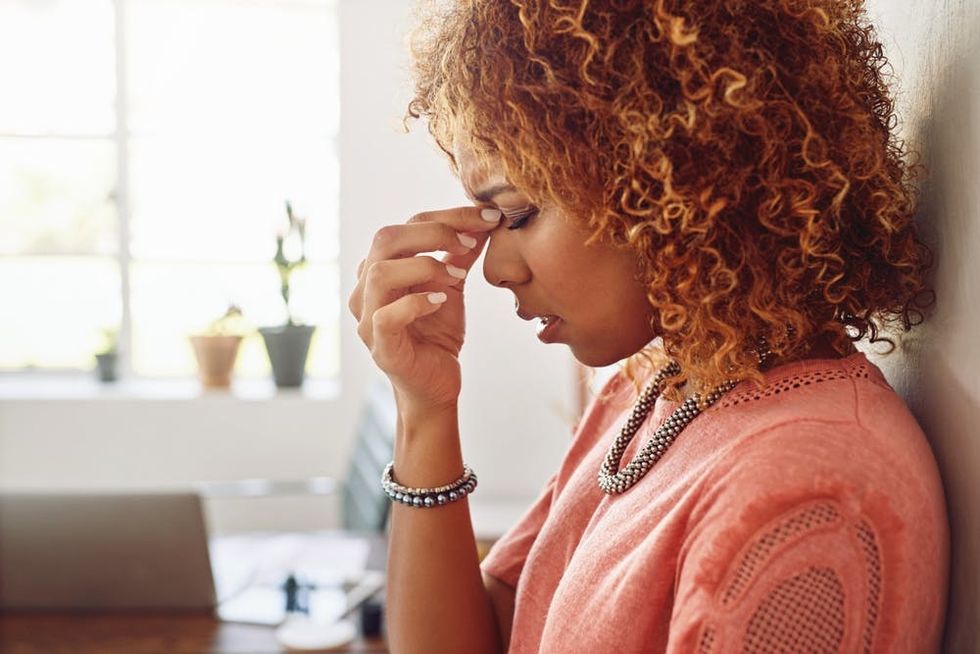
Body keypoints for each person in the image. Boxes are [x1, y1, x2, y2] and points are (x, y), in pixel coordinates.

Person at [348, 0, 948, 651]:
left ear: (673, 174)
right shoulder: (658, 386)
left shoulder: (808, 496)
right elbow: (490, 634)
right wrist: (425, 411)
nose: (495, 271)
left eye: (518, 214)